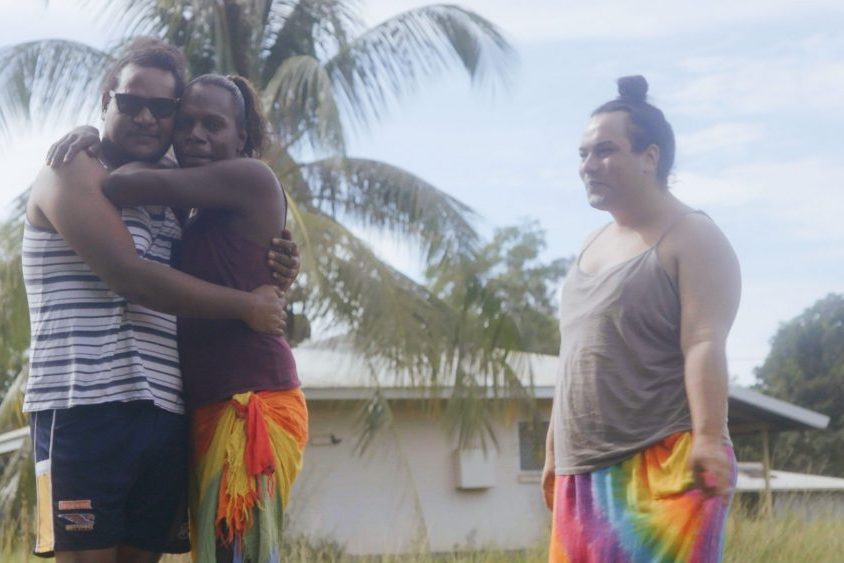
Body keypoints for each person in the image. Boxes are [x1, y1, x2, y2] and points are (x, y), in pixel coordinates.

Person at [23, 39, 296, 563]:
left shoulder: (172, 197)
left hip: (165, 412)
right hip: (81, 410)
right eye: (130, 103)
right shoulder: (71, 168)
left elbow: (226, 254)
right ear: (106, 101)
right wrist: (245, 304)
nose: (147, 117)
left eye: (162, 108)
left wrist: (283, 262)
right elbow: (130, 277)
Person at [99, 73, 307, 563]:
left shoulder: (250, 177)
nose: (195, 135)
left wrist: (96, 137)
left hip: (250, 403)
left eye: (213, 125)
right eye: (186, 122)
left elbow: (121, 183)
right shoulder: (197, 215)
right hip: (213, 405)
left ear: (243, 139)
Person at [541, 76, 741, 562]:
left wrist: (710, 439)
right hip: (582, 473)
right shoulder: (591, 243)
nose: (589, 166)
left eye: (605, 151)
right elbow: (573, 358)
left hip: (663, 463)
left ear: (651, 157)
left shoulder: (691, 236)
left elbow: (703, 343)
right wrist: (552, 453)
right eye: (583, 154)